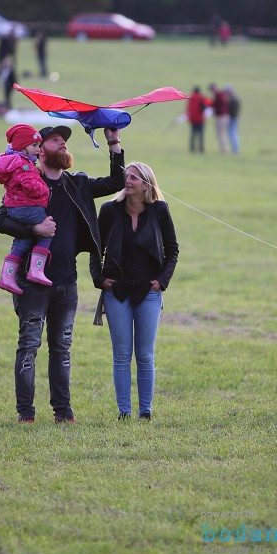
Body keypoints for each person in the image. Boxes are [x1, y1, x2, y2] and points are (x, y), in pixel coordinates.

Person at [0, 124, 125, 424]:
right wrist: (33, 229)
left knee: (62, 349)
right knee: (29, 346)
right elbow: (0, 220)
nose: (64, 145)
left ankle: (63, 413)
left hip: (67, 280)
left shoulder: (77, 183)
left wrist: (114, 141)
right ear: (40, 149)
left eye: (64, 141)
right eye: (56, 140)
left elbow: (116, 181)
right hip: (31, 283)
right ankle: (25, 414)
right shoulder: (26, 180)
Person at [90, 162, 178, 420]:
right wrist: (99, 279)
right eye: (127, 176)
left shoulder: (160, 210)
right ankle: (124, 412)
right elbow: (95, 249)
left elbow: (172, 249)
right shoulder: (109, 210)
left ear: (146, 185)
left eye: (134, 177)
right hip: (117, 292)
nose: (127, 180)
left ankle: (145, 412)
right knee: (121, 354)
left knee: (145, 355)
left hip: (149, 292)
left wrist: (161, 281)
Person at [0, 125, 53, 295]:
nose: (38, 149)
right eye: (35, 146)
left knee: (23, 241)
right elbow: (30, 186)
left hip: (15, 208)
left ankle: (7, 276)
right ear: (22, 146)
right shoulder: (23, 165)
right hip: (28, 207)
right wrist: (45, 190)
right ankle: (36, 269)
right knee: (47, 231)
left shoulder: (14, 162)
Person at [209, 83, 230, 154]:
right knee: (222, 134)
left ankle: (224, 150)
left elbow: (216, 106)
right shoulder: (222, 94)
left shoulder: (218, 95)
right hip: (225, 116)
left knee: (221, 134)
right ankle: (223, 149)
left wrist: (211, 106)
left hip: (221, 117)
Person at [186, 86, 207, 153]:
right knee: (201, 135)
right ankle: (201, 149)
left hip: (192, 119)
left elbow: (188, 108)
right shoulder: (201, 98)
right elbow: (203, 108)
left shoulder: (190, 98)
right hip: (200, 119)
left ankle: (192, 148)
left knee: (193, 134)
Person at [225, 84, 240, 155]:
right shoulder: (236, 98)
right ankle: (235, 149)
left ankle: (235, 150)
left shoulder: (231, 100)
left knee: (233, 134)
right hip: (235, 118)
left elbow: (230, 110)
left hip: (232, 119)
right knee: (233, 134)